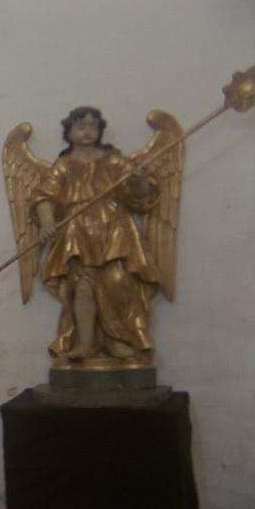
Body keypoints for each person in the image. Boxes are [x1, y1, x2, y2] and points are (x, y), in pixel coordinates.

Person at [32, 107, 160, 363]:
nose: (87, 131)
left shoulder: (114, 161)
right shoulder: (63, 165)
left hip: (114, 230)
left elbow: (140, 195)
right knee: (82, 288)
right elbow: (44, 196)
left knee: (118, 283)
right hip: (77, 232)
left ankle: (119, 340)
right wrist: (46, 222)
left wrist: (139, 181)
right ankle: (85, 343)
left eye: (93, 126)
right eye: (81, 126)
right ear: (69, 132)